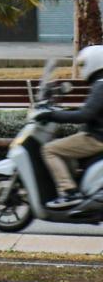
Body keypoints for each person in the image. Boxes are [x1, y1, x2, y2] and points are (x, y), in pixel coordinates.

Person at [42, 45, 103, 209]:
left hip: (97, 138)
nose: (82, 68)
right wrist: (64, 112)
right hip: (98, 134)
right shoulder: (99, 84)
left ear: (95, 62)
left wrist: (51, 115)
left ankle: (69, 192)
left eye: (83, 64)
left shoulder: (100, 85)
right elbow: (92, 110)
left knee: (50, 149)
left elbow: (84, 115)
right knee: (65, 146)